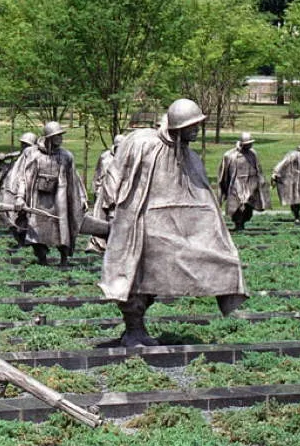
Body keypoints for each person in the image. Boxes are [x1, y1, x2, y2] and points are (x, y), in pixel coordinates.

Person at [100, 99, 248, 348]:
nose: (196, 131)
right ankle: (133, 329)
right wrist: (110, 208)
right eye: (191, 126)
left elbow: (203, 199)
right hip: (140, 223)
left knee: (216, 258)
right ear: (177, 127)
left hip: (170, 228)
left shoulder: (190, 156)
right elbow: (115, 175)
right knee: (135, 279)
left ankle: (137, 329)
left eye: (198, 125)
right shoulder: (142, 142)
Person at [9, 121, 86, 265]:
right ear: (48, 137)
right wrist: (19, 197)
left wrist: (81, 197)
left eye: (61, 136)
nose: (60, 139)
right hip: (38, 197)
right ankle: (42, 259)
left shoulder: (66, 156)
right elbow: (23, 178)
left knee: (63, 227)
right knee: (36, 227)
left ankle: (64, 259)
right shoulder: (32, 154)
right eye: (57, 136)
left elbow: (74, 179)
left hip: (60, 196)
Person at [218, 131, 270, 230]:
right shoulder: (230, 155)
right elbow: (223, 175)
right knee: (238, 206)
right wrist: (224, 189)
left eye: (251, 143)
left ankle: (243, 223)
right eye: (248, 144)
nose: (250, 145)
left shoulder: (253, 154)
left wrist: (260, 183)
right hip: (236, 184)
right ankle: (238, 224)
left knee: (248, 207)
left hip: (251, 184)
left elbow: (258, 169)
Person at [86, 134, 123, 253]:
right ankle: (98, 244)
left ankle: (115, 243)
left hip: (119, 191)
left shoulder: (127, 159)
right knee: (100, 217)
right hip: (103, 191)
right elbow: (97, 174)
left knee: (116, 217)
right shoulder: (105, 157)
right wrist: (96, 190)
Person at [0, 131, 35, 246]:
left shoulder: (34, 160)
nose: (24, 147)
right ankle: (20, 242)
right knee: (8, 218)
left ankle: (26, 242)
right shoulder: (16, 160)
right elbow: (4, 171)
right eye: (23, 145)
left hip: (27, 197)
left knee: (24, 221)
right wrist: (1, 160)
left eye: (27, 145)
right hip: (11, 194)